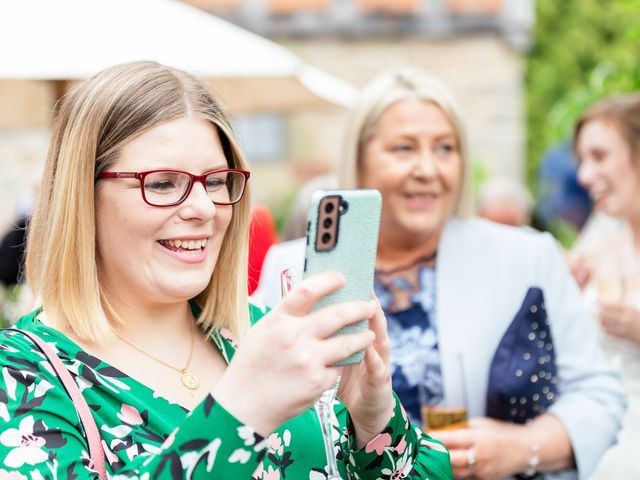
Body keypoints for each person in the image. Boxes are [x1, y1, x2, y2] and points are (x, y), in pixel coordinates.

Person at [0, 61, 453, 479]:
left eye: (215, 181)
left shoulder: (266, 338)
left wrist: (372, 421)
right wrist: (240, 414)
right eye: (162, 183)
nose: (203, 207)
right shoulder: (23, 376)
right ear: (82, 198)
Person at [254, 67, 626, 479]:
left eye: (445, 148)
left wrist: (522, 448)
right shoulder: (291, 269)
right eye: (404, 149)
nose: (428, 169)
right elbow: (265, 403)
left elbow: (599, 393)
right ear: (358, 159)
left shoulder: (528, 254)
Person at [571, 94, 640, 479]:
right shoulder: (603, 231)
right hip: (595, 424)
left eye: (599, 156)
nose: (583, 176)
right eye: (582, 160)